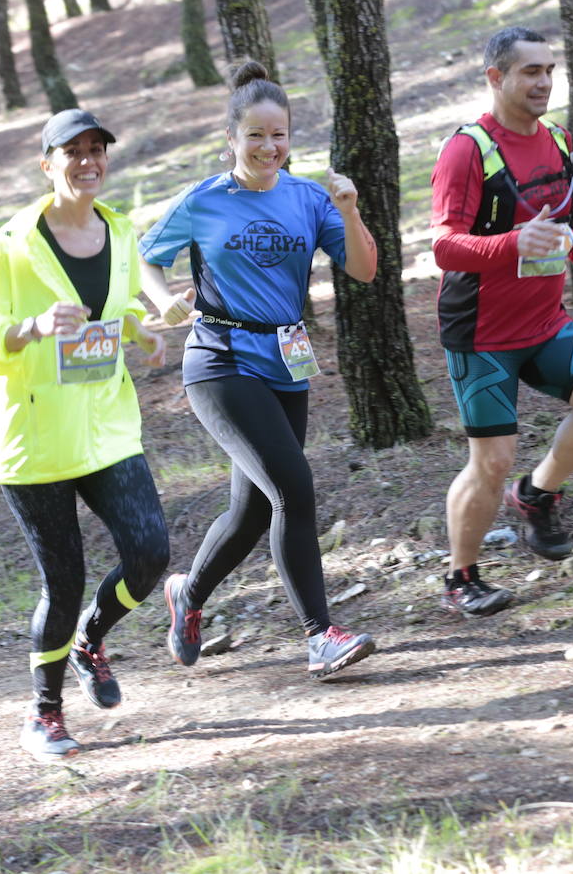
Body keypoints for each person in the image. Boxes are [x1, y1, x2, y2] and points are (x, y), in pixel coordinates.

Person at [138, 60, 379, 680]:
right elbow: (146, 259)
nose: (268, 147)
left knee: (252, 511)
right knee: (293, 490)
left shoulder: (308, 198)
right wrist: (161, 297)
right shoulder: (205, 200)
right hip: (219, 360)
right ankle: (320, 634)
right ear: (232, 139)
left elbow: (364, 269)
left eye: (279, 135)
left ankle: (186, 595)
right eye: (255, 135)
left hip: (285, 359)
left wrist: (349, 211)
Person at [0, 109, 170, 761]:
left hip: (106, 425)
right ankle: (45, 714)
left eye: (96, 150)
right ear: (47, 164)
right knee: (65, 578)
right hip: (38, 438)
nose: (87, 161)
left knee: (150, 552)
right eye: (71, 152)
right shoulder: (8, 246)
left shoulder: (120, 229)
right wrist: (32, 327)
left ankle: (91, 640)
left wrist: (141, 330)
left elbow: (121, 306)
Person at [430, 26, 573, 617]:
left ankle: (536, 495)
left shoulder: (558, 140)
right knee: (490, 459)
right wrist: (511, 245)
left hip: (543, 321)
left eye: (549, 70)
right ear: (496, 78)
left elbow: (561, 222)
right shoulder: (466, 150)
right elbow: (443, 247)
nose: (543, 81)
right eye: (530, 72)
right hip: (481, 334)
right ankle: (460, 576)